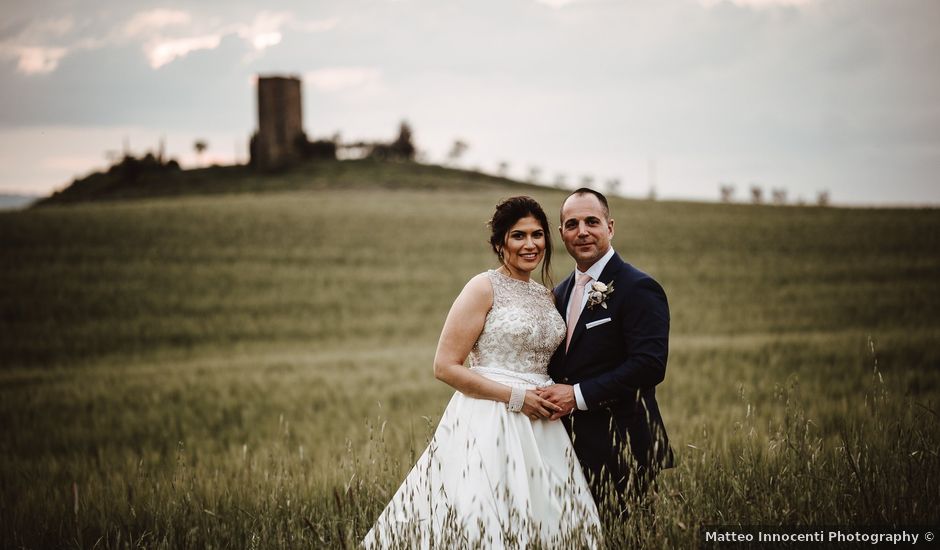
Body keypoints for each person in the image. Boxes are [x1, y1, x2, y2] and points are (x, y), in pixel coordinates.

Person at [362, 196, 601, 549]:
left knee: (548, 518)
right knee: (483, 514)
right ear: (499, 243)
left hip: (545, 426)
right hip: (492, 416)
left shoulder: (548, 296)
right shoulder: (482, 287)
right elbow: (444, 367)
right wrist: (517, 398)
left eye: (537, 235)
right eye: (518, 235)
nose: (530, 244)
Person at [538, 188, 674, 512]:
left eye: (591, 221)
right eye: (572, 224)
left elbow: (650, 365)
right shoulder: (559, 293)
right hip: (567, 450)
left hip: (623, 447)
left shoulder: (638, 287)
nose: (582, 231)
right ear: (561, 234)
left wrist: (578, 395)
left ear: (609, 227)